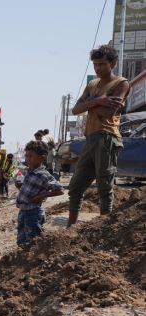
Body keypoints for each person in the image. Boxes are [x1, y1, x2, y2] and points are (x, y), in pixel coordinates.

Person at [67, 44, 130, 227]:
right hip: (91, 138)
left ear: (113, 63)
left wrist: (90, 104)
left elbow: (108, 113)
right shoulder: (93, 84)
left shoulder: (121, 83)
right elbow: (75, 109)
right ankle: (70, 227)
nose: (98, 68)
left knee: (104, 187)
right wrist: (99, 101)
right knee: (76, 187)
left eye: (102, 64)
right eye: (95, 64)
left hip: (107, 138)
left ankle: (104, 228)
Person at [15, 140, 64, 245]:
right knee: (21, 240)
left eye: (31, 156)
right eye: (26, 156)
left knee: (33, 240)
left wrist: (41, 196)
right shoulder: (28, 172)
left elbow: (59, 190)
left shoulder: (43, 175)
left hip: (33, 213)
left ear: (42, 157)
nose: (27, 159)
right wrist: (19, 186)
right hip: (23, 211)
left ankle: (33, 259)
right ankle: (22, 259)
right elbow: (28, 190)